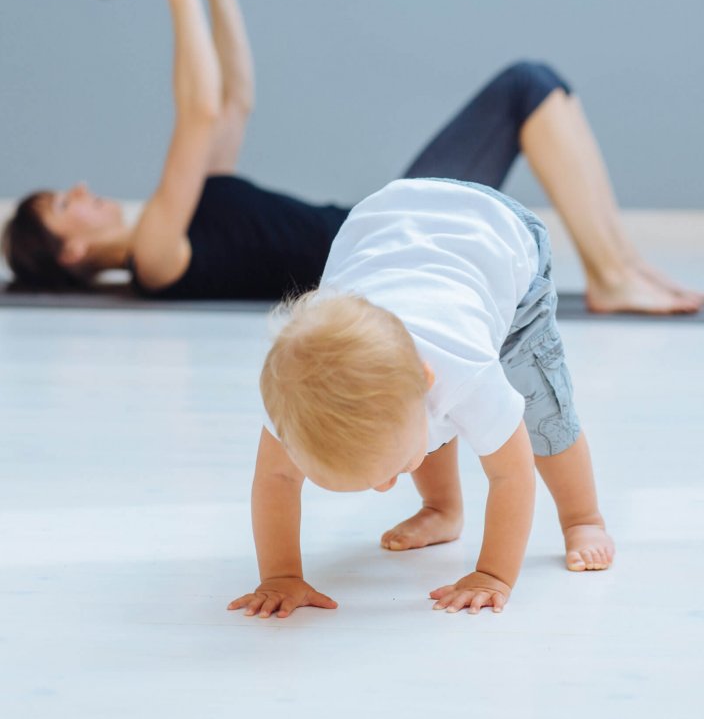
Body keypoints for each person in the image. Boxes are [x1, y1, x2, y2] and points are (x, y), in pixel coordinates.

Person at [1, 0, 704, 314]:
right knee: (527, 84)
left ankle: (622, 265)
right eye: (67, 203)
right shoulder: (158, 255)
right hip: (389, 242)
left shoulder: (179, 223)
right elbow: (197, 113)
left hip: (382, 227)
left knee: (533, 84)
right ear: (68, 250)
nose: (85, 192)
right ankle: (611, 277)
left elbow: (232, 103)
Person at [227, 177, 615, 619]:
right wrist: (280, 575)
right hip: (387, 222)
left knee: (543, 410)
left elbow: (512, 476)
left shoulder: (466, 373)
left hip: (500, 236)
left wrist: (492, 574)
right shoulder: (292, 393)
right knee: (410, 427)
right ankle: (442, 510)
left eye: (387, 471)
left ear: (429, 379)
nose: (385, 486)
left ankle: (584, 519)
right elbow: (275, 480)